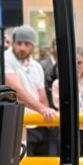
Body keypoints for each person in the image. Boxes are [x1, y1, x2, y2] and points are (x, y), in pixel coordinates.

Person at [5, 25, 57, 156]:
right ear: (13, 43)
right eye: (19, 43)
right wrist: (42, 109)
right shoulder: (4, 59)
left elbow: (42, 96)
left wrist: (48, 120)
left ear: (33, 46)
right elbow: (16, 90)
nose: (22, 48)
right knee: (21, 164)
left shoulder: (36, 66)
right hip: (15, 126)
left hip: (37, 126)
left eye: (27, 44)